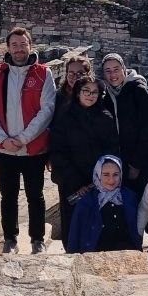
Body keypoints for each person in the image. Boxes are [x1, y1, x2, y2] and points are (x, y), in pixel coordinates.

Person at [0, 27, 55, 254]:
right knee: (8, 196)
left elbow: (47, 110)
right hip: (5, 150)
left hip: (33, 149)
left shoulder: (43, 73)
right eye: (14, 45)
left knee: (35, 196)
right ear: (8, 47)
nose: (19, 49)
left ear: (30, 46)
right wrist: (2, 139)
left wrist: (22, 139)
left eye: (23, 44)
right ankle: (10, 239)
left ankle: (37, 239)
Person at [49, 75, 119, 251]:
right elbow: (58, 151)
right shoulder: (64, 117)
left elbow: (111, 150)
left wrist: (95, 181)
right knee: (72, 223)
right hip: (71, 182)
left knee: (97, 222)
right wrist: (77, 182)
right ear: (77, 92)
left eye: (94, 92)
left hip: (99, 182)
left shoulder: (105, 117)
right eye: (86, 90)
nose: (90, 95)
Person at [100, 53, 148, 199]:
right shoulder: (105, 95)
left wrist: (136, 164)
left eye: (116, 69)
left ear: (124, 69)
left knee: (141, 202)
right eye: (108, 71)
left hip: (140, 163)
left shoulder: (138, 90)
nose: (113, 75)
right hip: (117, 164)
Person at [67, 155, 142, 253]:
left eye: (115, 174)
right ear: (98, 175)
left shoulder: (129, 196)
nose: (111, 180)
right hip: (96, 255)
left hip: (127, 254)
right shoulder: (87, 201)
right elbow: (75, 233)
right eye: (106, 175)